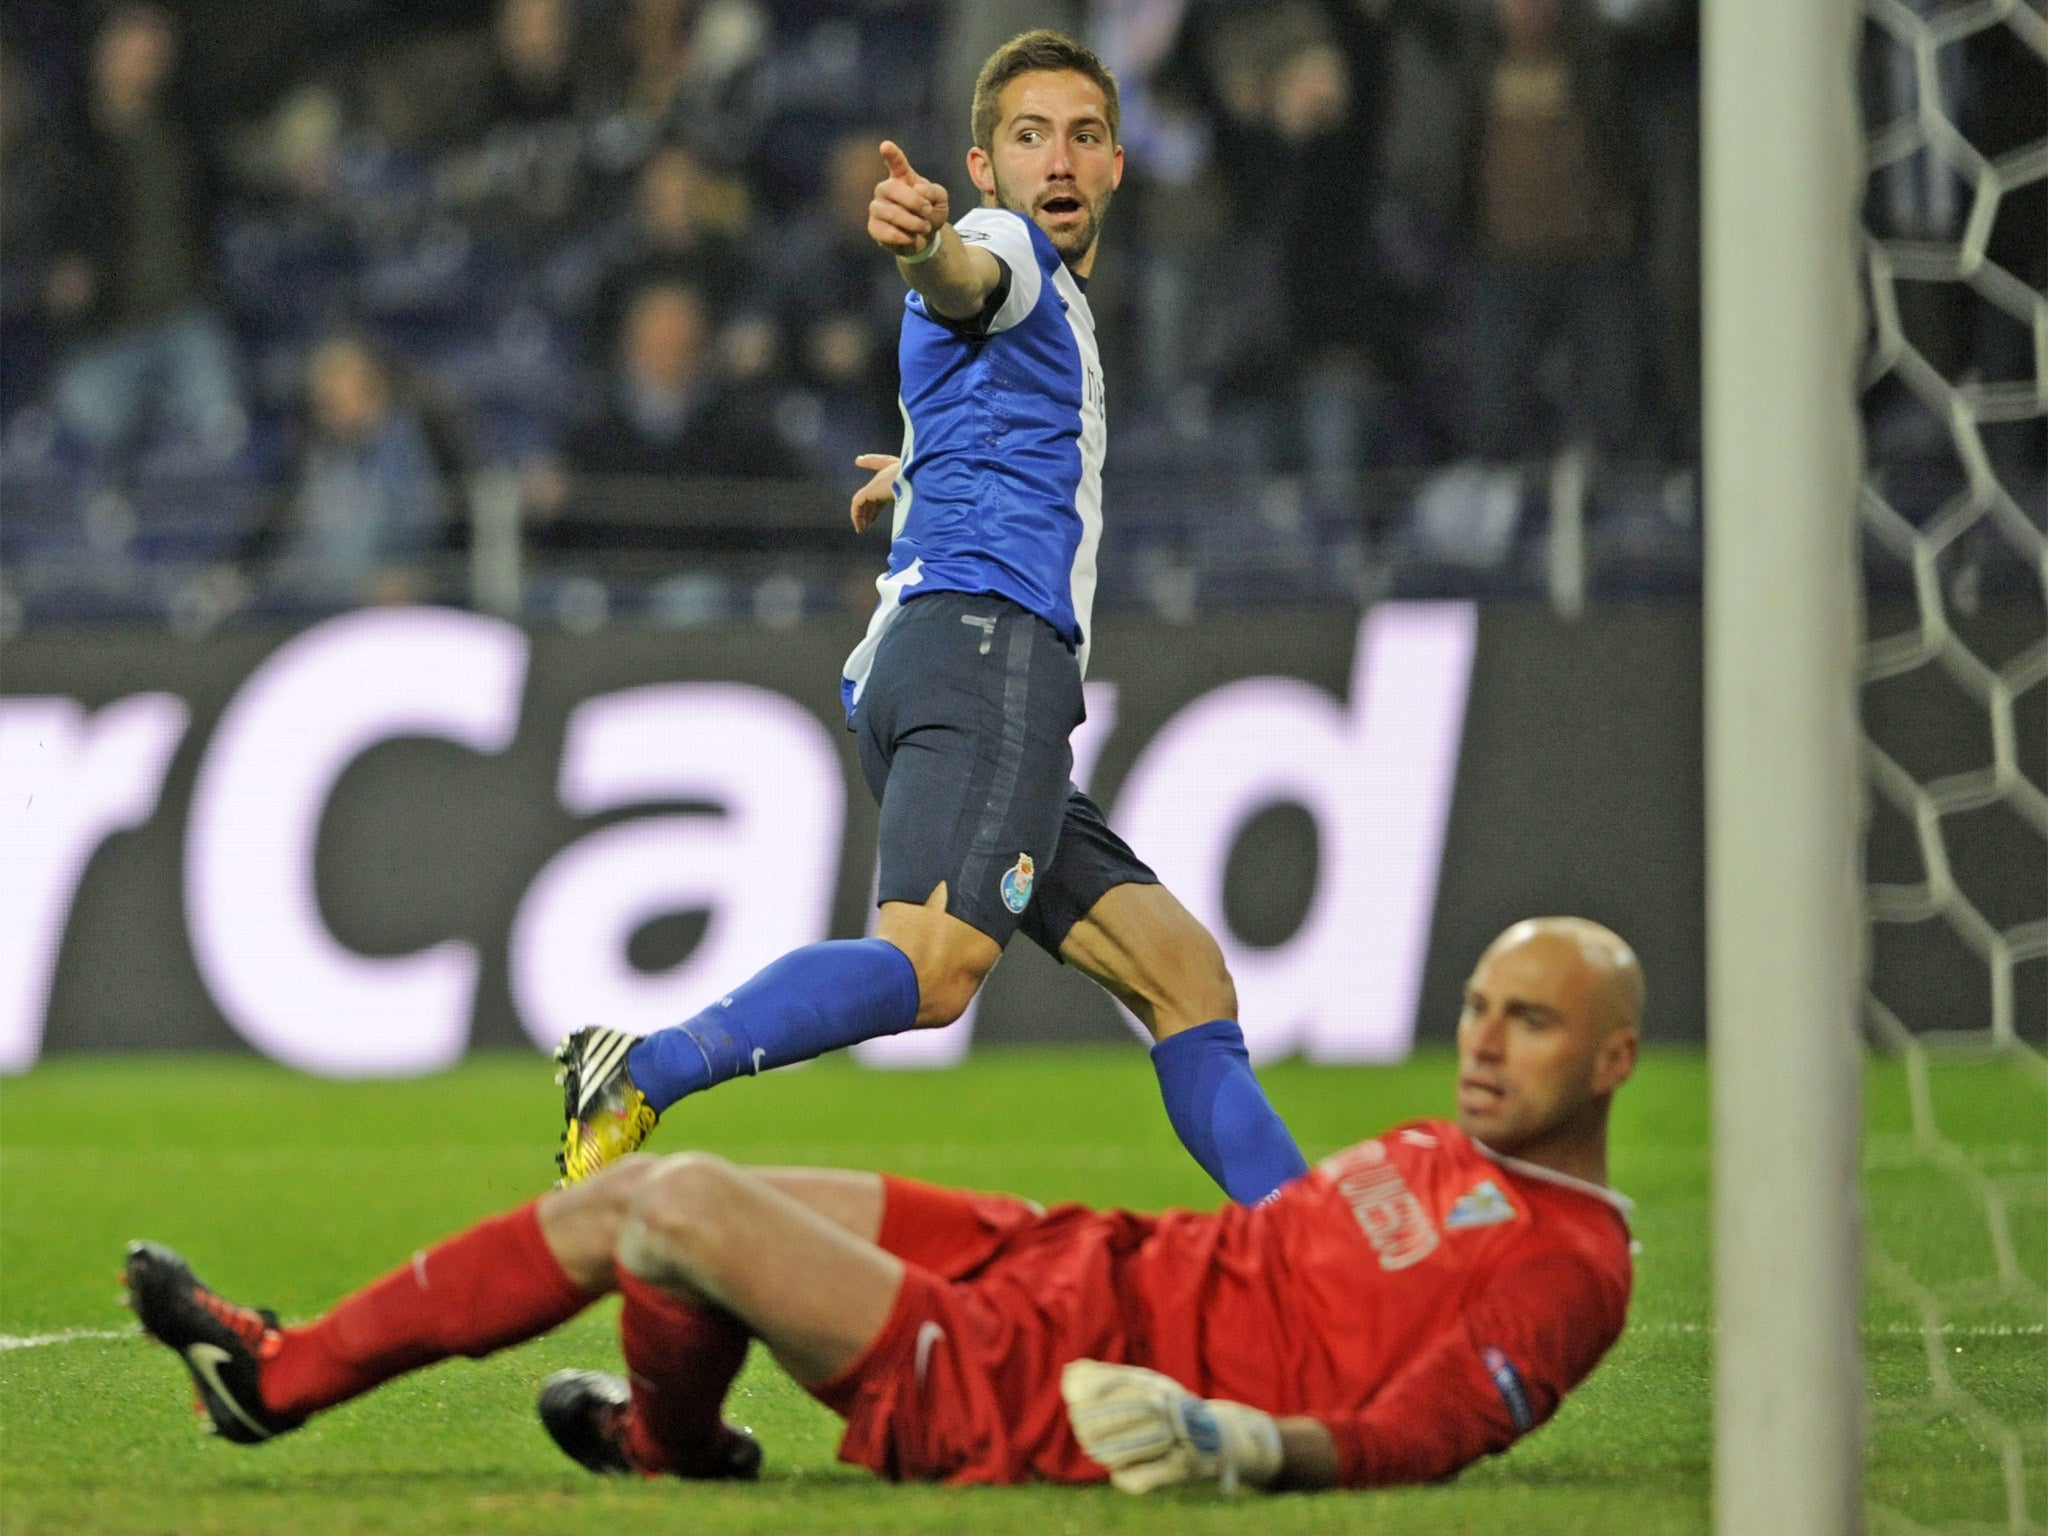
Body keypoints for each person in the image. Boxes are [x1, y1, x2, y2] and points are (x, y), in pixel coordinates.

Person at [546, 29, 1310, 1216]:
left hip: (938, 657)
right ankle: (642, 1067)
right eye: (1027, 136)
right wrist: (929, 246)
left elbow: (988, 388)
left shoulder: (1046, 311)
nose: (1057, 158)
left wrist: (917, 475)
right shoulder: (1004, 248)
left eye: (1084, 135)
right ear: (984, 166)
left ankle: (1320, 1256)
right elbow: (966, 278)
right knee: (936, 966)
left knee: (1182, 978)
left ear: (1115, 166)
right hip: (987, 650)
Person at [126, 917, 1641, 1495]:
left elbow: (1423, 1437)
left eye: (1533, 1024)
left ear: (1616, 1060)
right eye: (1479, 1007)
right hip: (1071, 1263)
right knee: (669, 1205)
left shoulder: (1574, 1267)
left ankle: (298, 1379)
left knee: (672, 1207)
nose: (1484, 1044)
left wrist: (1242, 1443)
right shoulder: (1440, 1151)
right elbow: (1300, 1262)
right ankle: (658, 1444)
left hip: (1045, 1381)